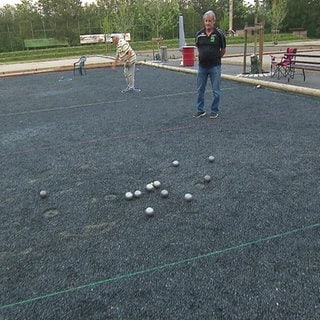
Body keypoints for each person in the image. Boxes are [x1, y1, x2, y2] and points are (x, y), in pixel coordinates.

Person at [193, 10, 226, 118]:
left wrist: (216, 58)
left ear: (214, 21)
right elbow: (198, 47)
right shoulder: (199, 35)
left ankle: (214, 110)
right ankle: (200, 110)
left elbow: (223, 49)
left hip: (215, 67)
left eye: (210, 21)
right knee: (200, 90)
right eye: (206, 21)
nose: (208, 23)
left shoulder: (219, 34)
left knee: (216, 90)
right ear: (204, 21)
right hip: (202, 67)